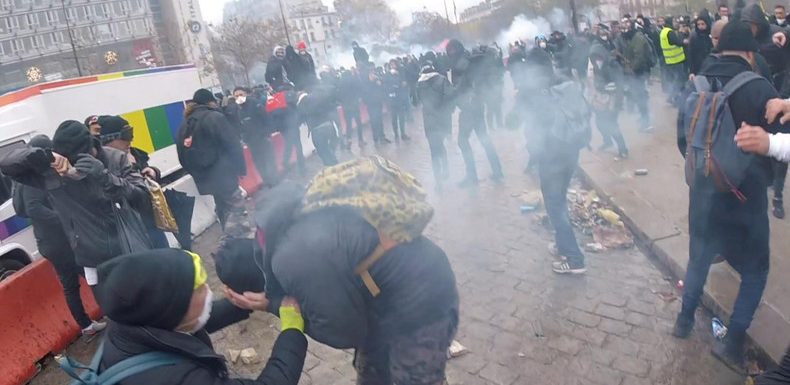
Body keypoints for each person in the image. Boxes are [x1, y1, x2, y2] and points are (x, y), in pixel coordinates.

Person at [249, 168, 458, 385]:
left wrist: (281, 308)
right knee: (371, 375)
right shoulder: (301, 215)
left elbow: (344, 332)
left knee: (416, 378)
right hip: (383, 303)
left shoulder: (290, 257)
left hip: (423, 298)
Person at [672, 21, 787, 372]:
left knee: (699, 259)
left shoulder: (696, 83)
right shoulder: (759, 88)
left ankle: (683, 321)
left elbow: (683, 140)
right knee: (756, 270)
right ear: (751, 53)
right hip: (744, 199)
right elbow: (776, 148)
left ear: (719, 48)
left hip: (702, 196)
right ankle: (732, 344)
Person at [95, 248, 307, 385]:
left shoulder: (131, 323)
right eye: (199, 287)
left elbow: (190, 324)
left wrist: (242, 306)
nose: (209, 289)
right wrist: (292, 331)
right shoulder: (182, 379)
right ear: (174, 306)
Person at [0, 121, 151, 286]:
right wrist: (45, 156)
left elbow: (142, 197)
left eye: (78, 160)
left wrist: (106, 178)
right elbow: (7, 164)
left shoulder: (114, 158)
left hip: (129, 246)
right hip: (92, 258)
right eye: (69, 161)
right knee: (116, 308)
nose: (73, 169)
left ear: (90, 150)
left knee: (151, 300)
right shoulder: (54, 171)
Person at [12, 135, 107, 335]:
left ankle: (89, 323)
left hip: (49, 241)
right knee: (88, 274)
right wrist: (66, 217)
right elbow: (34, 208)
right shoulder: (33, 177)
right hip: (58, 242)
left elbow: (23, 209)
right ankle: (107, 313)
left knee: (76, 280)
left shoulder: (23, 177)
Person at [176, 89, 250, 241]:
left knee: (222, 207)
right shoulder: (215, 117)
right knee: (236, 209)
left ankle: (230, 244)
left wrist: (198, 174)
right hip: (224, 175)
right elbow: (233, 144)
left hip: (205, 179)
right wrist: (241, 168)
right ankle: (240, 244)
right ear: (209, 101)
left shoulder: (184, 125)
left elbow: (181, 156)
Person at [742, 3, 790, 218]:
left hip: (780, 94)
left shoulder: (776, 33)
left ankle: (778, 195)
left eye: (753, 24)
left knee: (781, 147)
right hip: (757, 96)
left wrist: (784, 97)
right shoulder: (744, 40)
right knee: (760, 144)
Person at [96, 115, 170, 249]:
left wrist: (152, 172)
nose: (130, 141)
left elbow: (146, 181)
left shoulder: (135, 154)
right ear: (109, 139)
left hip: (151, 221)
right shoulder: (102, 164)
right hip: (129, 228)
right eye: (125, 136)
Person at [446, 39, 504, 187]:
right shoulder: (466, 59)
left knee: (462, 141)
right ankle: (497, 170)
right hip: (476, 106)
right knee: (484, 139)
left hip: (470, 108)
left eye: (451, 50)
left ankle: (472, 177)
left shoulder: (462, 63)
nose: (449, 53)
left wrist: (449, 97)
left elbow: (462, 86)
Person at [228, 86, 279, 188]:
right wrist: (242, 137)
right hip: (251, 141)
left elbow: (266, 118)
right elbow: (237, 125)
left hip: (263, 137)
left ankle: (275, 180)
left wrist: (267, 133)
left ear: (245, 94)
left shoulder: (255, 103)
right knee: (259, 162)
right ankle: (267, 181)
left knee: (269, 159)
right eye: (236, 95)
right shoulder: (236, 109)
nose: (239, 97)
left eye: (241, 94)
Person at [416, 64, 455, 191]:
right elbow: (450, 97)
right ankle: (446, 168)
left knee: (434, 151)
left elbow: (414, 101)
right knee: (441, 145)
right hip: (442, 119)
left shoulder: (419, 84)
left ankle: (438, 182)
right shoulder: (442, 79)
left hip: (429, 122)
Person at [589, 44, 629, 159]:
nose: (597, 60)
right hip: (602, 101)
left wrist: (617, 102)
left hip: (613, 100)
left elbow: (619, 84)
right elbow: (597, 81)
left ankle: (623, 149)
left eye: (598, 57)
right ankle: (608, 141)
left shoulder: (612, 65)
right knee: (600, 123)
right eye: (594, 58)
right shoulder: (596, 66)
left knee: (612, 125)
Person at [619, 18, 654, 132]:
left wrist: (632, 69)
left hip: (638, 73)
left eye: (626, 28)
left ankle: (646, 122)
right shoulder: (632, 38)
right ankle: (644, 119)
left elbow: (639, 57)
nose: (623, 31)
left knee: (641, 97)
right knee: (639, 96)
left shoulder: (637, 39)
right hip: (635, 72)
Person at [298, 74, 339, 166]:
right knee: (328, 149)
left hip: (317, 128)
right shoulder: (323, 93)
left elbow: (300, 115)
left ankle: (334, 168)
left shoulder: (305, 100)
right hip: (329, 125)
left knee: (323, 151)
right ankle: (334, 165)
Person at [659, 18, 688, 104]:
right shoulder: (670, 32)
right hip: (676, 60)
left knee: (676, 79)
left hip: (669, 60)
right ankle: (672, 96)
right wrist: (682, 35)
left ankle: (677, 97)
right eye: (675, 21)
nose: (677, 23)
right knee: (679, 80)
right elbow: (678, 42)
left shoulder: (663, 31)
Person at [338, 69, 365, 148]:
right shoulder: (354, 79)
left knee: (348, 124)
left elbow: (339, 94)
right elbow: (360, 88)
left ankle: (349, 139)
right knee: (358, 123)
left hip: (346, 106)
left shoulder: (341, 82)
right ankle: (360, 140)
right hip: (355, 104)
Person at [363, 67, 390, 145]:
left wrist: (380, 84)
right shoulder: (366, 84)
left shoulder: (377, 82)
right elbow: (366, 93)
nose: (373, 75)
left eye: (373, 74)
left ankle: (382, 136)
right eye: (371, 74)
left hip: (378, 103)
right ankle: (376, 138)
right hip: (371, 105)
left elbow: (383, 90)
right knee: (374, 121)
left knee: (380, 121)